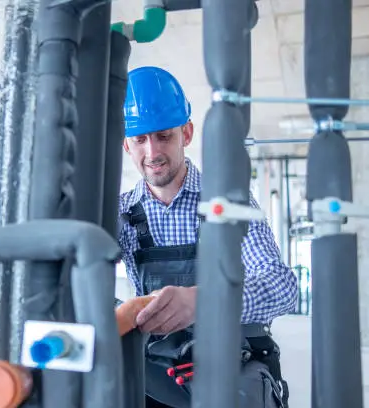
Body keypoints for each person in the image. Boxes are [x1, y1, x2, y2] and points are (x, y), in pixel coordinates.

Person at [117, 66, 299, 408]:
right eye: (140, 139)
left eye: (164, 136)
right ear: (127, 146)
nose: (152, 152)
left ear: (186, 133)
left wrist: (205, 302)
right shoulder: (122, 214)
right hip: (158, 377)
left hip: (231, 367)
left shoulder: (230, 204)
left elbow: (283, 288)